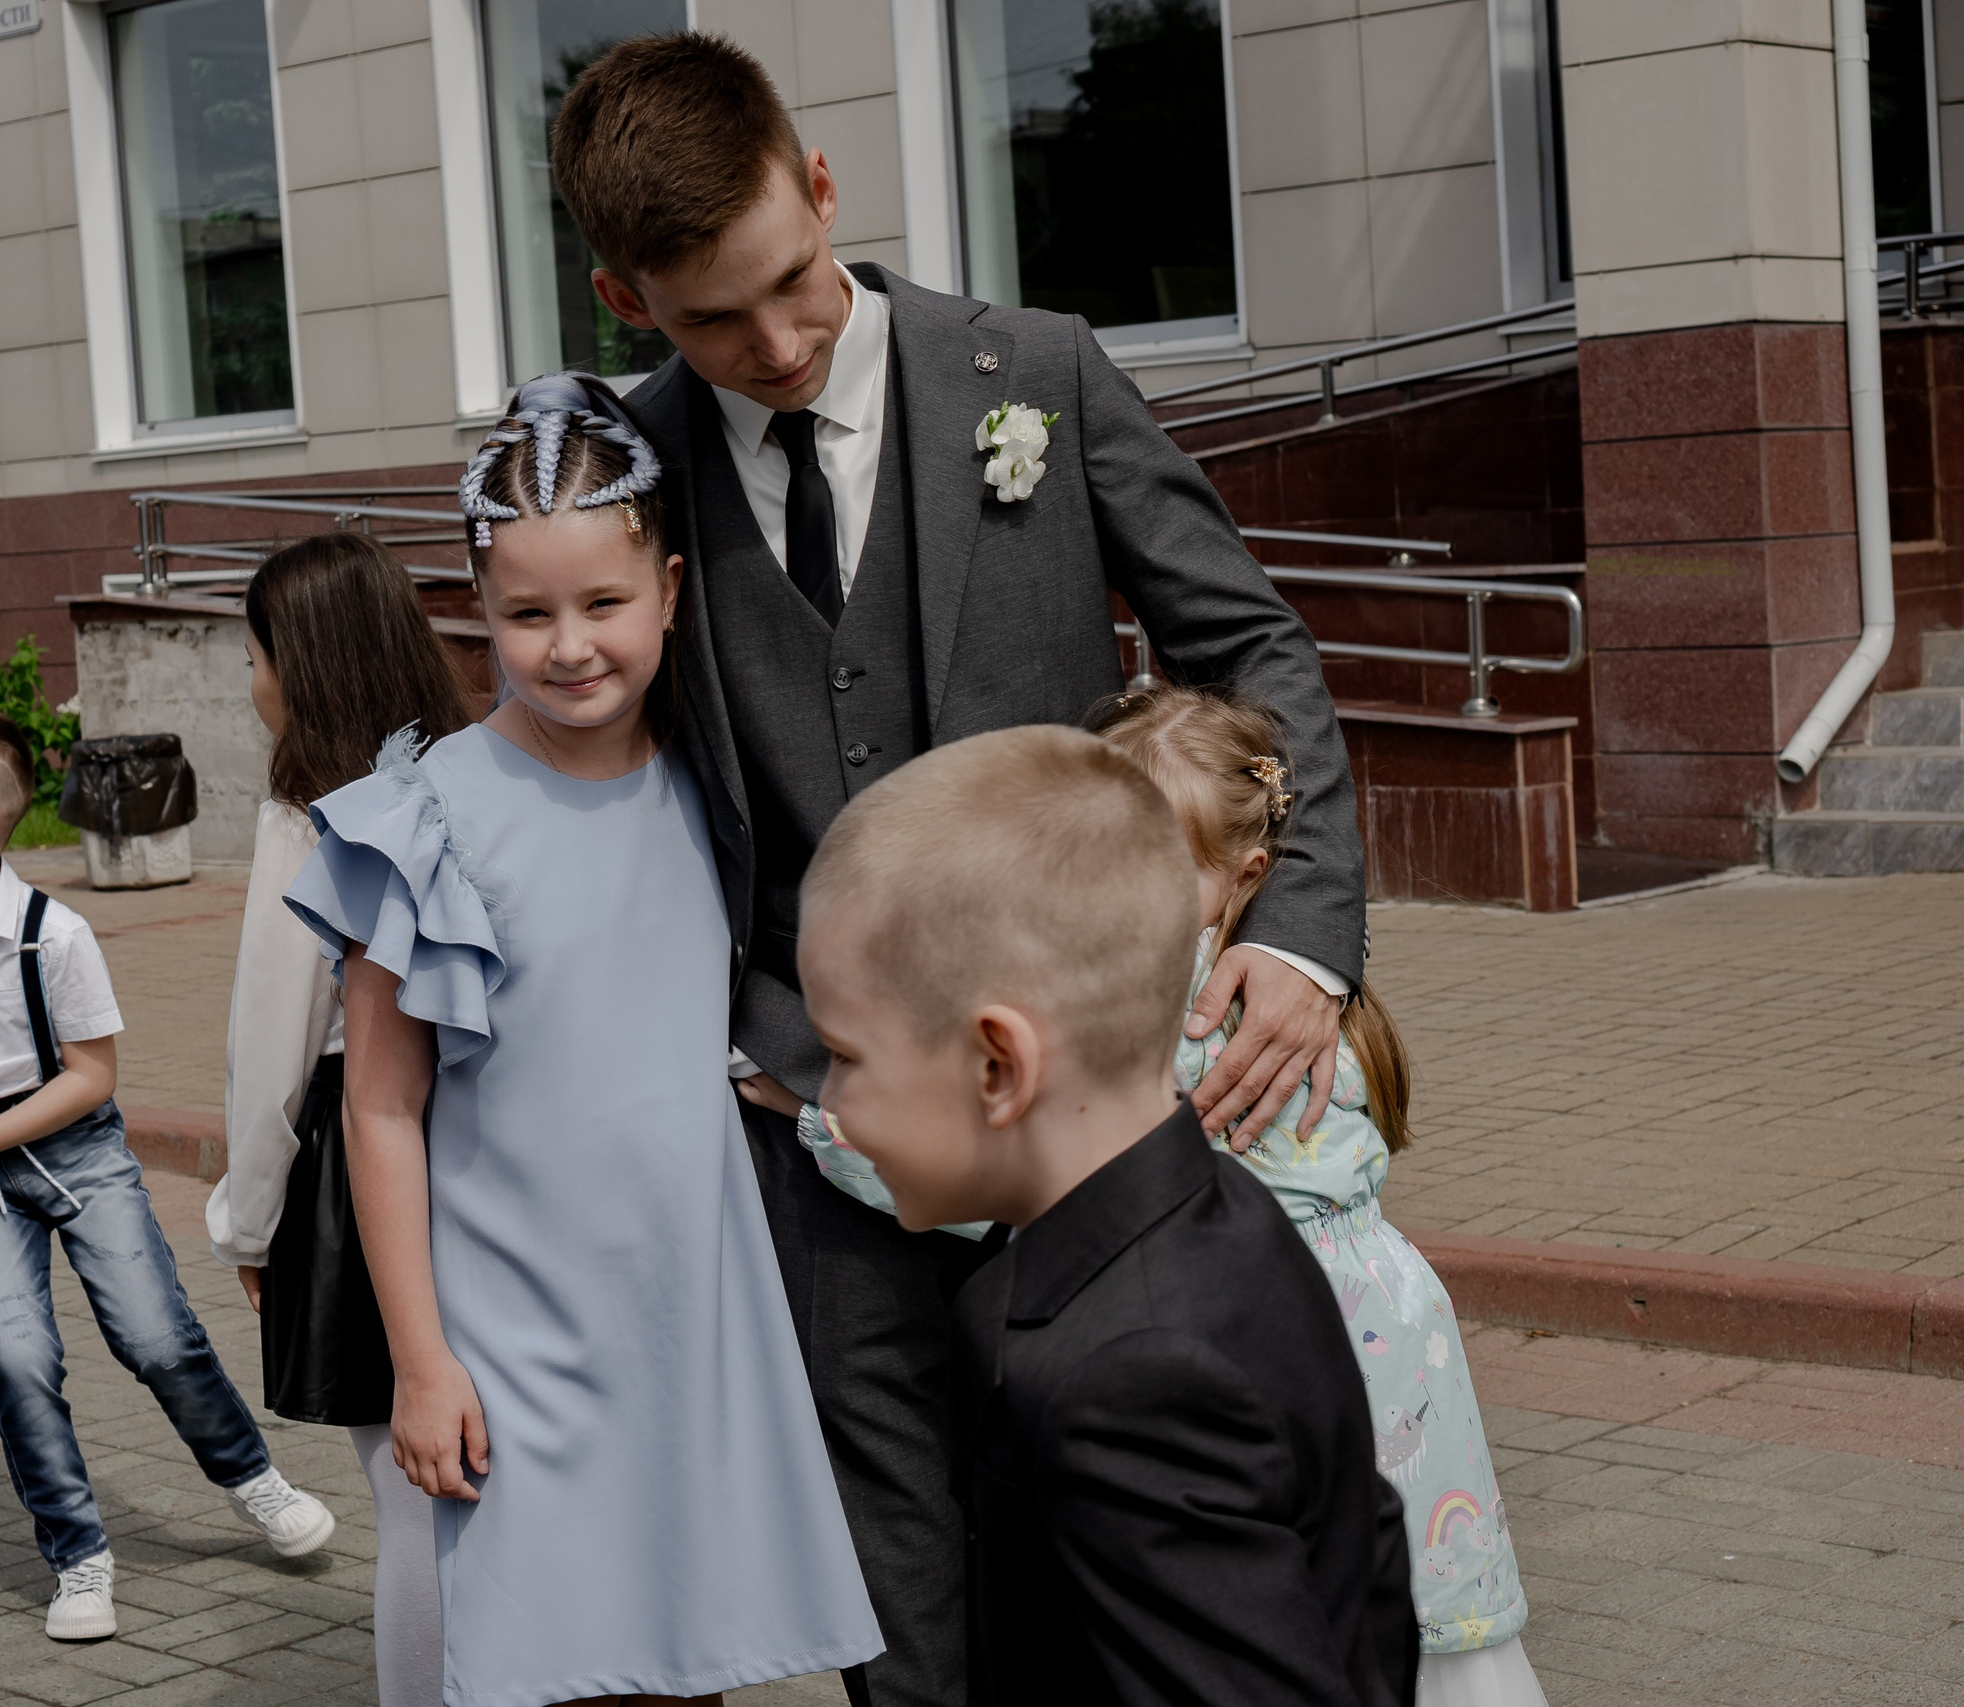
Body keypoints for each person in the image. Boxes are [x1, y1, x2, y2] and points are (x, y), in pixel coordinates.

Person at [550, 37, 1369, 1702]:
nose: (774, 347)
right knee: (894, 1589)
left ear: (824, 188)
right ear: (624, 297)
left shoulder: (1041, 374)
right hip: (808, 1122)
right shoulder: (622, 466)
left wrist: (1301, 933)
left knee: (1124, 1559)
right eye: (713, 321)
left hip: (1086, 1108)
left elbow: (1248, 644)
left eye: (790, 283)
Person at [282, 374, 882, 1706]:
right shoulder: (426, 816)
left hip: (694, 1316)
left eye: (603, 604)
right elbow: (381, 1109)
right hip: (515, 1339)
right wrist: (425, 1361)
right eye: (526, 613)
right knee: (552, 1662)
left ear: (670, 587)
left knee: (685, 1658)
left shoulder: (718, 785)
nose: (569, 645)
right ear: (476, 611)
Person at [795, 725, 1418, 1707]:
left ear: (998, 1066)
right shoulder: (1225, 1219)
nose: (830, 1100)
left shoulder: (1123, 1380)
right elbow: (1365, 1569)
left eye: (846, 1054)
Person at [0, 706, 334, 1643]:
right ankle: (77, 1555)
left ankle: (251, 1478)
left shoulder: (53, 934)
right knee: (17, 1358)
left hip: (76, 1147)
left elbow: (94, 1076)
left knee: (154, 1336)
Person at [1094, 685, 1543, 1707]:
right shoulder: (1308, 991)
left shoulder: (1185, 1008)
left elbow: (1035, 1149)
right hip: (1388, 1322)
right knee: (1422, 1619)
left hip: (1273, 1333)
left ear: (1245, 872)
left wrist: (826, 1122)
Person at [209, 532, 476, 1707]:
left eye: (256, 653)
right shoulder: (472, 773)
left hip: (357, 1159)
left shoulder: (306, 818)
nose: (250, 681)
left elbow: (269, 1051)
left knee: (410, 1492)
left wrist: (245, 1225)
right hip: (479, 1146)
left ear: (299, 662)